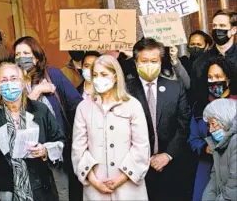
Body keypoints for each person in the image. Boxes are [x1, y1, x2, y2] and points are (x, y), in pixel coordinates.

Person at [0, 62, 65, 201]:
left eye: (14, 79)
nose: (9, 84)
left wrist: (45, 150)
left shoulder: (40, 110)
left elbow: (60, 141)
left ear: (22, 83)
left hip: (39, 187)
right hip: (7, 191)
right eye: (4, 80)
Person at [13, 36, 83, 201]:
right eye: (17, 55)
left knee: (62, 194)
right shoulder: (13, 84)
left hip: (55, 151)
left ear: (36, 58)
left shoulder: (52, 75)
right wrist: (36, 92)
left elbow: (76, 105)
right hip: (27, 156)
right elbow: (16, 115)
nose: (21, 58)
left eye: (26, 53)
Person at [72, 55, 150, 200]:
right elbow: (78, 148)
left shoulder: (132, 105)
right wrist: (94, 181)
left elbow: (141, 146)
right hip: (95, 187)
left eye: (104, 74)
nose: (98, 79)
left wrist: (121, 178)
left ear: (115, 77)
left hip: (128, 188)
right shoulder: (84, 107)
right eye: (95, 75)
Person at [126, 38, 191, 201]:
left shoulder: (175, 88)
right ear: (136, 63)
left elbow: (184, 126)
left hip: (170, 166)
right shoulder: (126, 91)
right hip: (136, 167)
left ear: (161, 62)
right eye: (144, 61)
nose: (149, 65)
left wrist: (167, 155)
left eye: (154, 61)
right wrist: (141, 157)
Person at [188, 57, 236, 201]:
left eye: (218, 76)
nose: (214, 81)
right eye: (210, 77)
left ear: (228, 79)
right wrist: (204, 148)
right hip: (206, 165)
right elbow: (192, 138)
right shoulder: (199, 106)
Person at [191, 9, 237, 105]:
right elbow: (198, 95)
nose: (217, 29)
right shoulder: (200, 63)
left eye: (222, 26)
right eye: (214, 26)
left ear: (234, 30)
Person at [201, 99, 237, 201]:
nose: (210, 130)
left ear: (225, 121)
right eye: (209, 125)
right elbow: (214, 178)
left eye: (213, 124)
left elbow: (233, 189)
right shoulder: (219, 144)